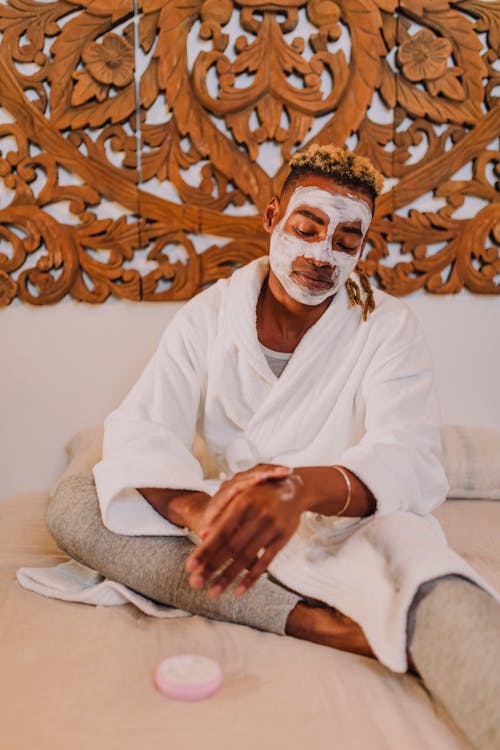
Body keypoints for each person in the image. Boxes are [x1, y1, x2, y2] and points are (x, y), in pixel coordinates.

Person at [47, 145, 499, 749]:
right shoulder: (209, 317)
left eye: (345, 240)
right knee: (75, 505)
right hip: (234, 512)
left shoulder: (388, 327)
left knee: (440, 587)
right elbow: (144, 430)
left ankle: (353, 608)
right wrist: (203, 515)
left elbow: (410, 455)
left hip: (350, 521)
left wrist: (298, 490)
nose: (321, 255)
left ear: (362, 248)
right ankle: (316, 623)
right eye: (307, 227)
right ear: (272, 218)